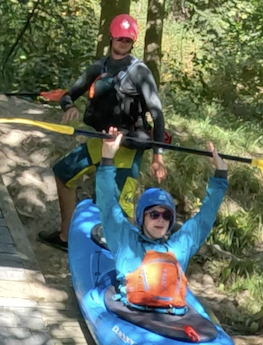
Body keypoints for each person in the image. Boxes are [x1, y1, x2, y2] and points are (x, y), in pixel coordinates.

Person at [35, 13, 169, 248]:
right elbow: (68, 95)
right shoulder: (99, 67)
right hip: (100, 140)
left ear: (133, 42)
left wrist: (158, 156)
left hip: (127, 148)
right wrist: (69, 107)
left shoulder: (141, 72)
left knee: (120, 206)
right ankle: (65, 236)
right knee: (63, 173)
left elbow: (157, 115)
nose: (123, 43)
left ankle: (132, 258)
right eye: (119, 39)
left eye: (128, 40)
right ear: (111, 38)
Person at [92, 129, 224, 312]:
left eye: (166, 215)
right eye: (154, 214)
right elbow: (107, 202)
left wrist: (221, 175)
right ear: (141, 217)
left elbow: (205, 217)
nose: (160, 219)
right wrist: (107, 159)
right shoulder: (125, 241)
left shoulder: (179, 247)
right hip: (134, 315)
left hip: (171, 318)